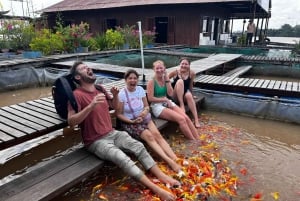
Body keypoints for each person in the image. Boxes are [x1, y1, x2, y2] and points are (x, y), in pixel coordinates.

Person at [67, 61, 179, 201]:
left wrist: (114, 97)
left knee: (139, 146)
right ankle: (156, 189)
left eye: (88, 66)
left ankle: (161, 176)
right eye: (84, 68)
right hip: (95, 140)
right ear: (78, 77)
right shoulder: (76, 95)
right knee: (122, 158)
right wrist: (91, 105)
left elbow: (114, 108)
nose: (88, 68)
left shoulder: (100, 89)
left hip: (112, 132)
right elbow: (71, 122)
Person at [116, 69, 181, 172]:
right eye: (130, 78)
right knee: (150, 137)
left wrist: (144, 112)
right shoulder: (122, 94)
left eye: (135, 78)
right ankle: (169, 161)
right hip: (131, 122)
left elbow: (147, 106)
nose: (133, 80)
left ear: (137, 80)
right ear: (126, 80)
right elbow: (118, 114)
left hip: (144, 117)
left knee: (157, 135)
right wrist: (132, 121)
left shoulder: (140, 90)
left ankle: (175, 158)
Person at [146, 60, 199, 140]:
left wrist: (167, 78)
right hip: (157, 106)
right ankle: (193, 141)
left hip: (166, 102)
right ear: (154, 69)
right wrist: (164, 99)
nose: (159, 70)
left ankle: (198, 138)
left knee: (186, 118)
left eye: (161, 68)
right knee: (181, 119)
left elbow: (170, 94)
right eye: (157, 68)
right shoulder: (151, 82)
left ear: (164, 69)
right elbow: (150, 98)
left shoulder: (165, 79)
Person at [168, 58, 200, 128]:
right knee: (180, 81)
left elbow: (191, 85)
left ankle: (196, 119)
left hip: (184, 94)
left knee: (189, 95)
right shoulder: (175, 72)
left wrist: (192, 95)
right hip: (175, 96)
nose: (184, 65)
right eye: (182, 64)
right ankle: (182, 105)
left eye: (186, 64)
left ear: (189, 65)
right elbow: (165, 80)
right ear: (180, 64)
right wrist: (168, 91)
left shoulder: (192, 73)